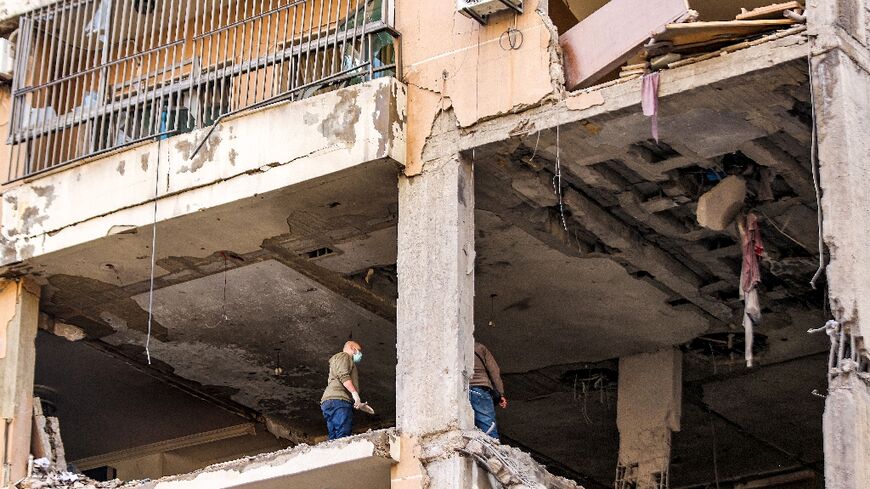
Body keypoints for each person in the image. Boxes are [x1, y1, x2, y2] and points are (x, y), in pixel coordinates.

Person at [320, 340, 365, 440]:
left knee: (334, 437)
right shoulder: (345, 357)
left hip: (329, 401)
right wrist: (355, 394)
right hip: (339, 401)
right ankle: (342, 454)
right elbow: (343, 376)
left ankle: (334, 454)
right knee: (343, 435)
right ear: (353, 348)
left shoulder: (337, 360)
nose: (360, 354)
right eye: (359, 350)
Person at [470, 341, 507, 439]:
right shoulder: (479, 347)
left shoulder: (450, 346)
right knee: (488, 427)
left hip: (460, 391)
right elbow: (494, 371)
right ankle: (493, 452)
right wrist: (500, 393)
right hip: (480, 389)